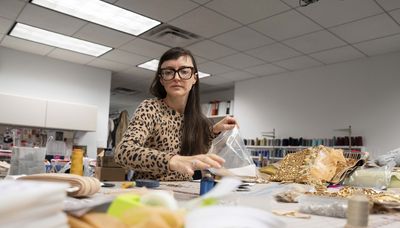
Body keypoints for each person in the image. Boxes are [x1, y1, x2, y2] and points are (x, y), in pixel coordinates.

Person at [115, 47, 237, 181]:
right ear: (161, 79)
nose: (176, 77)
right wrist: (173, 161)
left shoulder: (197, 118)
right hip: (151, 193)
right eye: (168, 72)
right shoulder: (150, 108)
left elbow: (198, 151)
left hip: (185, 191)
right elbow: (123, 152)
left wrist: (213, 131)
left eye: (184, 71)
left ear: (194, 78)